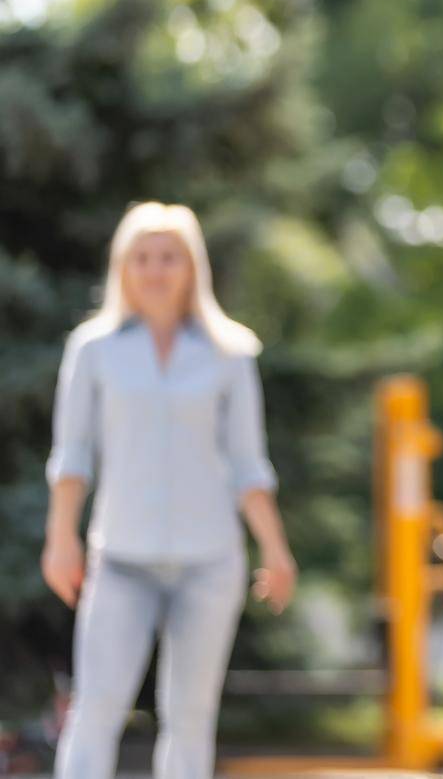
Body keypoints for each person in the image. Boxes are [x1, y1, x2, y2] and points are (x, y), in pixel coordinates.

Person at [40, 201, 298, 779]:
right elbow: (72, 455)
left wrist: (275, 550)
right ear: (122, 267)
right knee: (97, 708)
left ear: (192, 268)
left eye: (169, 257)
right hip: (122, 558)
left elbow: (247, 463)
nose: (156, 270)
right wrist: (61, 539)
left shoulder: (230, 353)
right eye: (143, 258)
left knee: (189, 716)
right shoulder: (94, 349)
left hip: (209, 563)